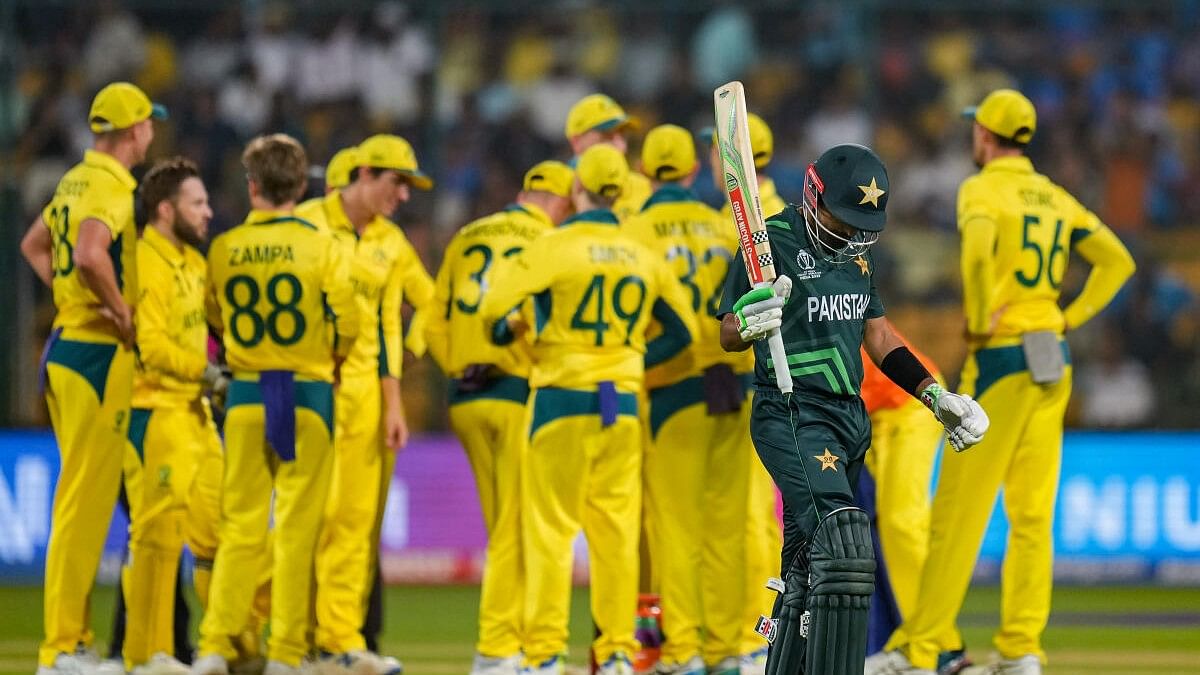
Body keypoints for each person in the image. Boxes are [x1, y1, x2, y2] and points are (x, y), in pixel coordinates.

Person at [867, 89, 1135, 675]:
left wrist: (979, 318)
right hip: (1052, 357)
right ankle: (1021, 650)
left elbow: (980, 253)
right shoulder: (1056, 197)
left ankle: (922, 648)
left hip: (1004, 356)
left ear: (984, 136)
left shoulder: (981, 189)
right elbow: (1118, 261)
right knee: (1033, 517)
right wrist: (1068, 316)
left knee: (957, 514)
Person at [717, 143, 989, 675]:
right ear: (813, 196)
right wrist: (747, 321)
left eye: (860, 226)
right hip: (792, 412)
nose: (849, 235)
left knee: (805, 567)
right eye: (842, 221)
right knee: (844, 543)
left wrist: (936, 396)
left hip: (850, 418)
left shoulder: (855, 256)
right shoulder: (770, 241)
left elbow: (878, 334)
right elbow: (728, 330)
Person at [479, 145, 696, 675]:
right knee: (618, 536)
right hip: (620, 404)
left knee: (550, 534)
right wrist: (636, 359)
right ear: (620, 192)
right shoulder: (641, 253)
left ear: (577, 190)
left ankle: (547, 653)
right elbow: (684, 331)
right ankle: (619, 650)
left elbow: (491, 307)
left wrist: (506, 332)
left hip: (559, 400)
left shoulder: (555, 247)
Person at [192, 133, 359, 675]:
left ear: (252, 184)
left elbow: (213, 316)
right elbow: (349, 324)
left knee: (239, 527)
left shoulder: (224, 247)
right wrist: (327, 358)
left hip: (244, 394)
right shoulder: (323, 245)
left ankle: (216, 645)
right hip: (308, 394)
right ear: (301, 185)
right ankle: (287, 654)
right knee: (296, 531)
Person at [20, 81, 165, 675]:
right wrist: (118, 310)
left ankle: (69, 642)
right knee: (83, 509)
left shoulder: (73, 180)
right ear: (135, 131)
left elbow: (34, 244)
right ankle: (63, 648)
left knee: (76, 504)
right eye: (149, 123)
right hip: (97, 356)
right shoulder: (108, 185)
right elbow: (88, 253)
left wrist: (72, 301)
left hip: (68, 346)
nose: (153, 131)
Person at [420, 160, 575, 675]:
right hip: (517, 389)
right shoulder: (545, 243)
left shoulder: (468, 234)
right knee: (516, 526)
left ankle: (508, 643)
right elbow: (533, 316)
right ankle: (499, 647)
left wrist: (458, 368)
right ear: (556, 201)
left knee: (502, 523)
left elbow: (430, 322)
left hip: (467, 395)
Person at [296, 133, 435, 674]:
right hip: (306, 389)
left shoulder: (391, 243)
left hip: (362, 400)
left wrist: (395, 396)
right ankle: (287, 639)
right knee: (303, 520)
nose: (402, 197)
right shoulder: (305, 223)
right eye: (397, 183)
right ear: (365, 174)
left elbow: (423, 310)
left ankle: (337, 640)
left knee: (353, 526)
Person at [623, 124, 747, 675]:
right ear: (695, 171)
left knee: (674, 528)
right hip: (735, 388)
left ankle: (684, 651)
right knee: (727, 527)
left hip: (673, 388)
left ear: (647, 172)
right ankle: (725, 651)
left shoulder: (635, 230)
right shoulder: (723, 228)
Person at [120, 157, 223, 675]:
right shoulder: (144, 263)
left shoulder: (194, 263)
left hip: (197, 415)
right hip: (154, 412)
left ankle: (220, 645)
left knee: (220, 532)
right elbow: (150, 345)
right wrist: (207, 374)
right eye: (198, 203)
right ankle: (147, 655)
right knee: (157, 539)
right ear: (166, 209)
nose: (209, 212)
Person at [705, 112, 788, 675]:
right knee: (753, 518)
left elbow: (728, 321)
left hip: (759, 387)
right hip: (767, 385)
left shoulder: (758, 225)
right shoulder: (789, 218)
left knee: (753, 519)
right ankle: (748, 638)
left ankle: (756, 637)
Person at [856, 330, 943, 655]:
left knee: (901, 523)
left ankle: (933, 641)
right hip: (875, 418)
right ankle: (902, 640)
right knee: (876, 530)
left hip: (912, 404)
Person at [565, 94, 651, 221]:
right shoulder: (557, 190)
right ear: (576, 142)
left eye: (622, 135)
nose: (620, 146)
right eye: (607, 136)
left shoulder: (643, 188)